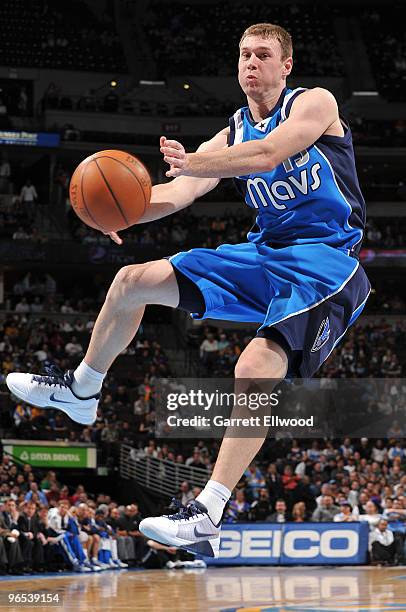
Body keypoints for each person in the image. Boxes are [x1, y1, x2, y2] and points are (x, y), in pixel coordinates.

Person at [6, 22, 371, 559]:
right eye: (244, 54)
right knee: (130, 281)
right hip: (264, 254)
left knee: (253, 368)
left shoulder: (315, 103)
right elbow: (178, 192)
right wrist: (126, 210)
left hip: (323, 263)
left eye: (262, 55)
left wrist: (195, 160)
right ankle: (82, 389)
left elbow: (269, 155)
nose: (251, 63)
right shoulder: (232, 129)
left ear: (285, 65)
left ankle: (209, 510)